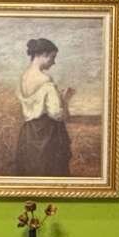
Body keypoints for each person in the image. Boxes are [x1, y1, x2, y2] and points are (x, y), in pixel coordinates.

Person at [14, 36, 72, 176]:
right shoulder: (45, 79)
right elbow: (57, 114)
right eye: (53, 57)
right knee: (50, 171)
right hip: (47, 134)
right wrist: (65, 99)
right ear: (44, 54)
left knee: (31, 169)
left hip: (28, 133)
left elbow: (32, 104)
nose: (54, 62)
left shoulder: (23, 77)